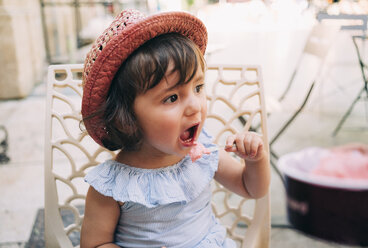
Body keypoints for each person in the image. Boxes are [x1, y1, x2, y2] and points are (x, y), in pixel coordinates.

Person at [80, 9, 270, 248]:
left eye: (198, 88)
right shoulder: (112, 186)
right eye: (171, 98)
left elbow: (250, 188)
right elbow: (94, 244)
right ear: (125, 117)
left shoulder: (203, 155)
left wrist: (255, 160)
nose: (194, 107)